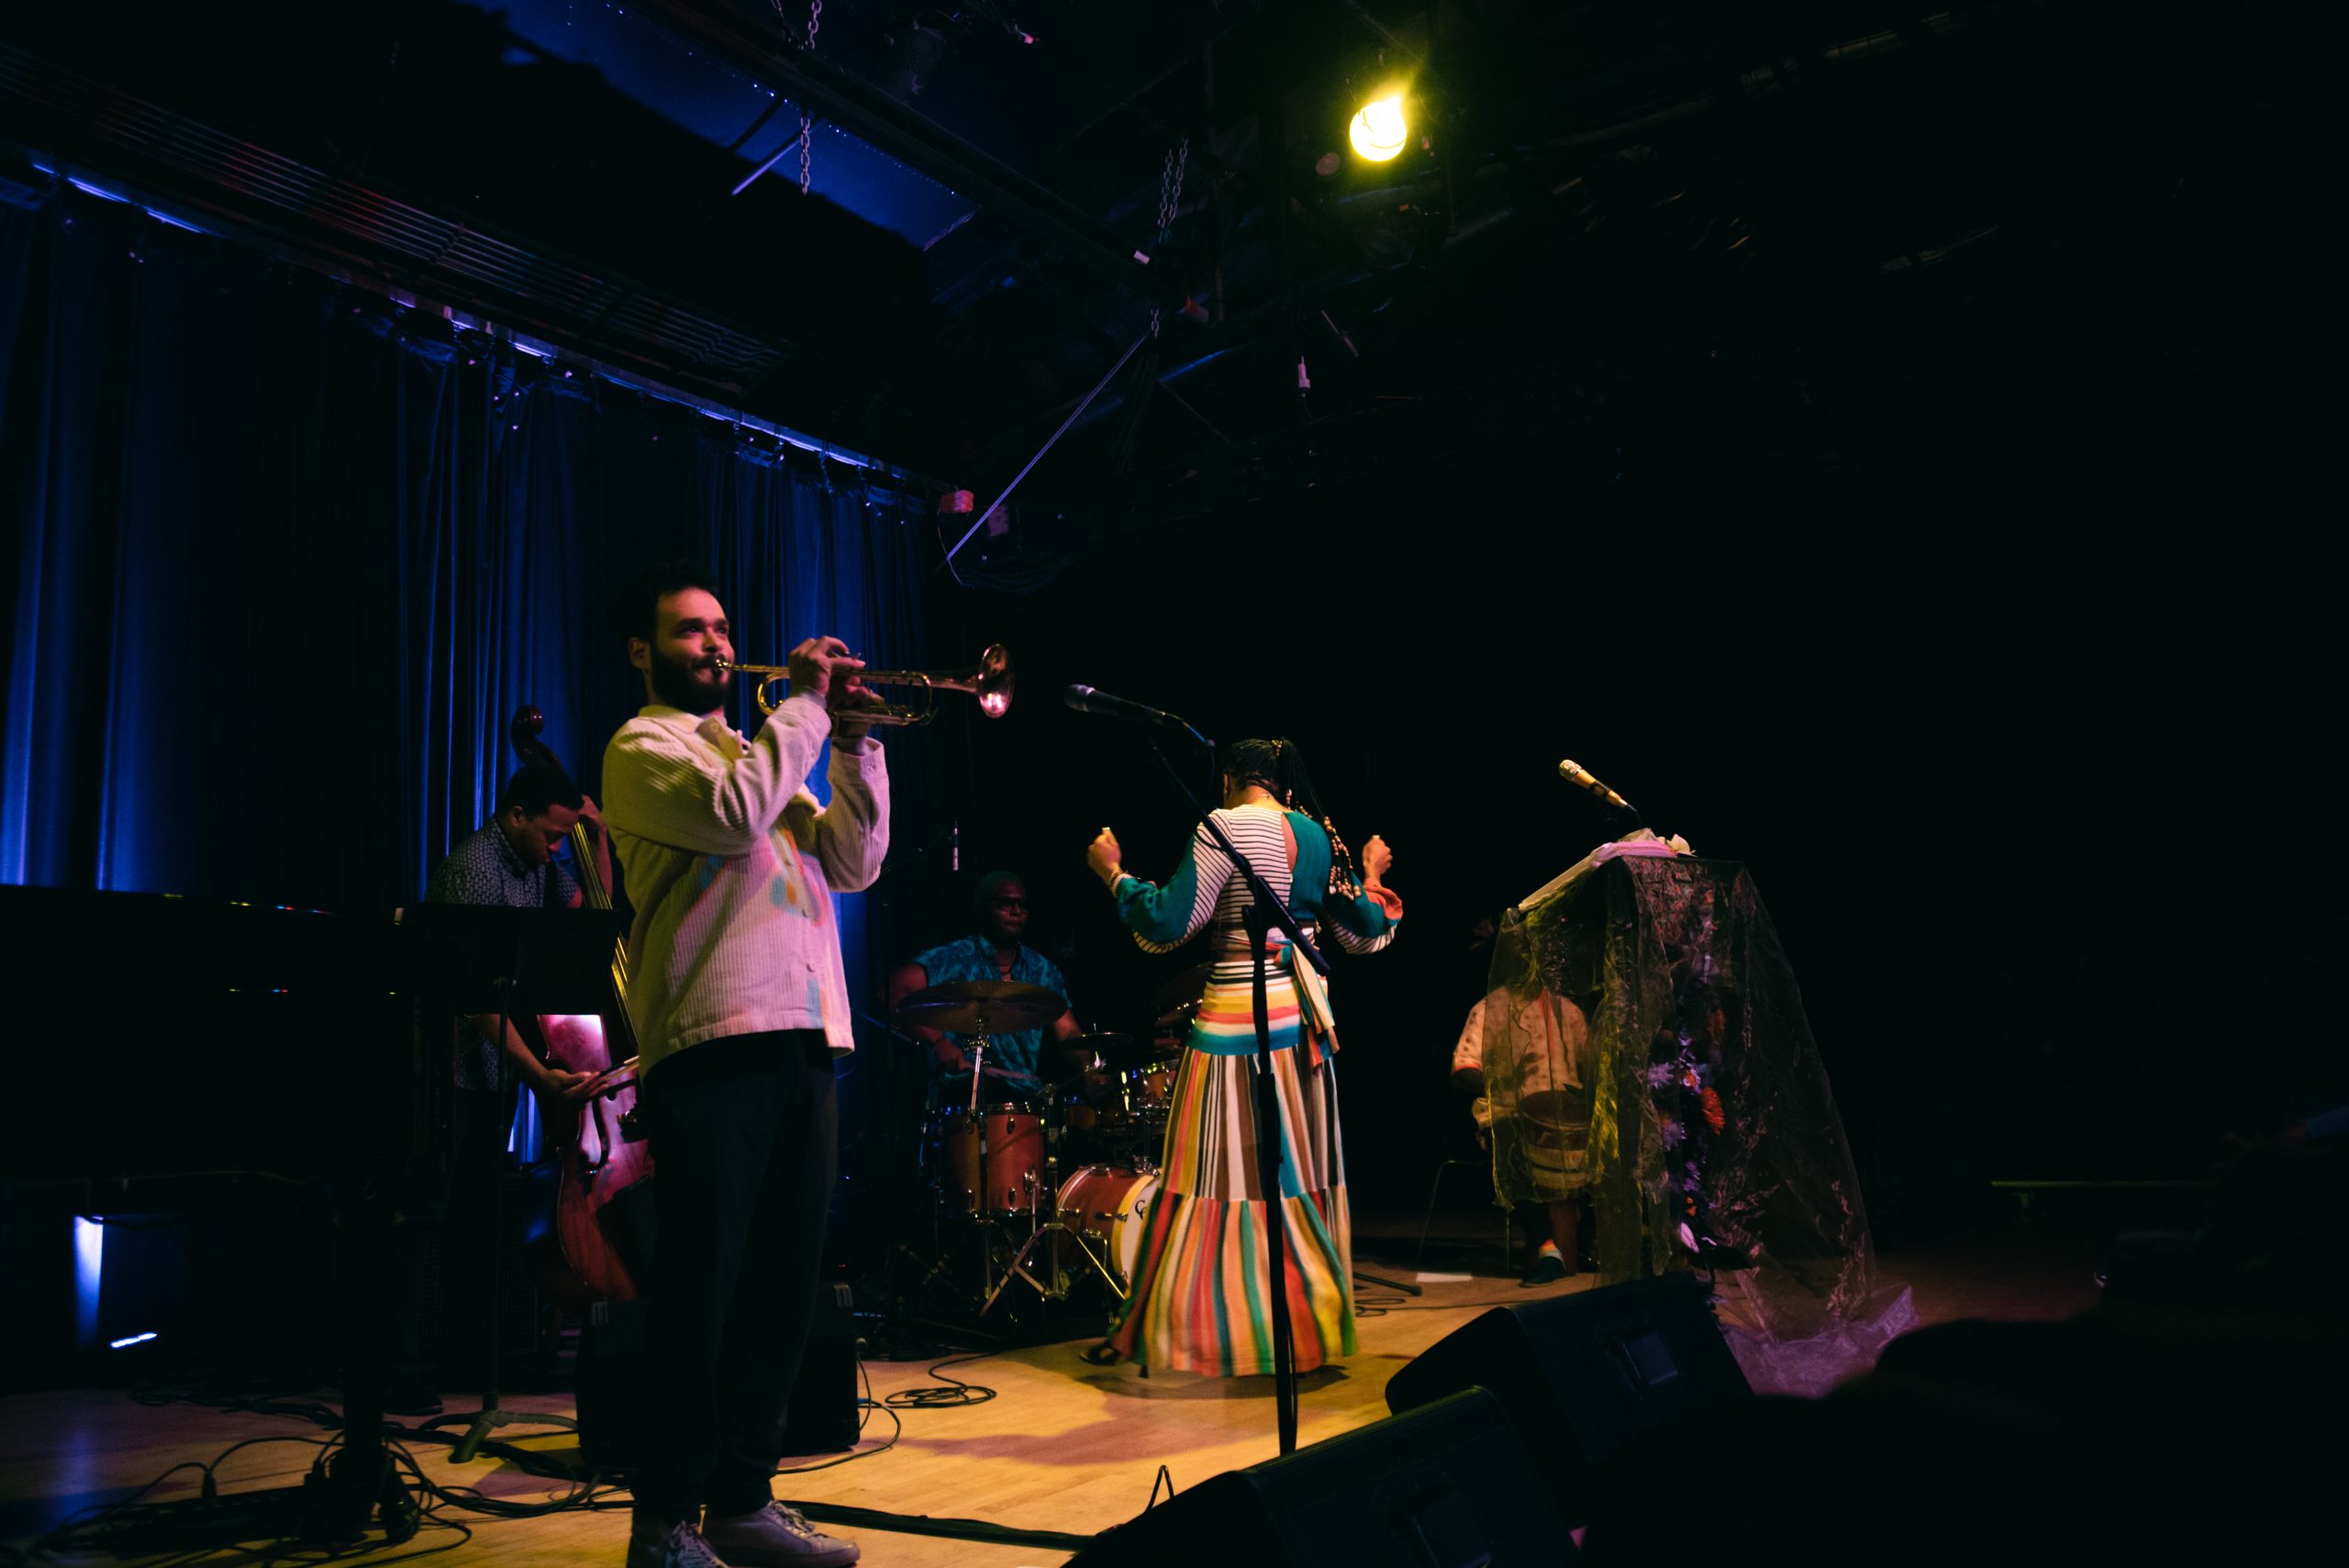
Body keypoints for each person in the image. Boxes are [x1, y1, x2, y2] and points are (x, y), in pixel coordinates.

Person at [601, 562, 884, 1568]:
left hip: (806, 1033)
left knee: (778, 1288)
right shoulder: (644, 749)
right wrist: (806, 707)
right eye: (689, 631)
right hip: (716, 1040)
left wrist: (848, 741)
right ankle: (664, 1521)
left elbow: (853, 862)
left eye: (722, 627)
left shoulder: (766, 751)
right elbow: (733, 814)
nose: (718, 644)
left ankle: (742, 1501)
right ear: (643, 650)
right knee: (702, 1293)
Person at [1082, 737, 1400, 1375]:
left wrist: (1115, 874)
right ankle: (1301, 1327)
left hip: (1235, 1019)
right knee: (1292, 1175)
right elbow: (1363, 932)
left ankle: (1214, 1328)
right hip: (1303, 1022)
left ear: (1227, 776)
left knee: (1211, 1177)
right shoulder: (1314, 835)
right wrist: (1372, 877)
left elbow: (1167, 926)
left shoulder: (1220, 826)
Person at [390, 761, 612, 1415]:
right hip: (448, 1069)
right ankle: (395, 1369)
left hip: (490, 1072)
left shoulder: (535, 864)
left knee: (477, 1219)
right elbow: (473, 1001)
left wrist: (594, 837)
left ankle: (466, 1358)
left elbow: (587, 910)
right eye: (551, 834)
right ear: (516, 815)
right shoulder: (476, 870)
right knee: (423, 1217)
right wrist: (541, 1076)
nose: (555, 848)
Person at [889, 871, 1085, 1110]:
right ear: (981, 910)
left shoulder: (1043, 970)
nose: (1016, 911)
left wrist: (1091, 1068)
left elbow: (1068, 1034)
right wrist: (938, 1042)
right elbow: (894, 991)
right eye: (1006, 903)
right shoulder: (956, 958)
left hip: (1023, 1102)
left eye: (1023, 904)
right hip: (960, 1097)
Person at [1451, 973, 1594, 1284]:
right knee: (1508, 1149)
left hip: (1566, 1118)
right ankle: (1548, 1250)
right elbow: (1463, 1068)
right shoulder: (1490, 1008)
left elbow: (1591, 1065)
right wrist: (1505, 1087)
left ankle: (1588, 1240)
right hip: (1508, 1110)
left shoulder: (1567, 1010)